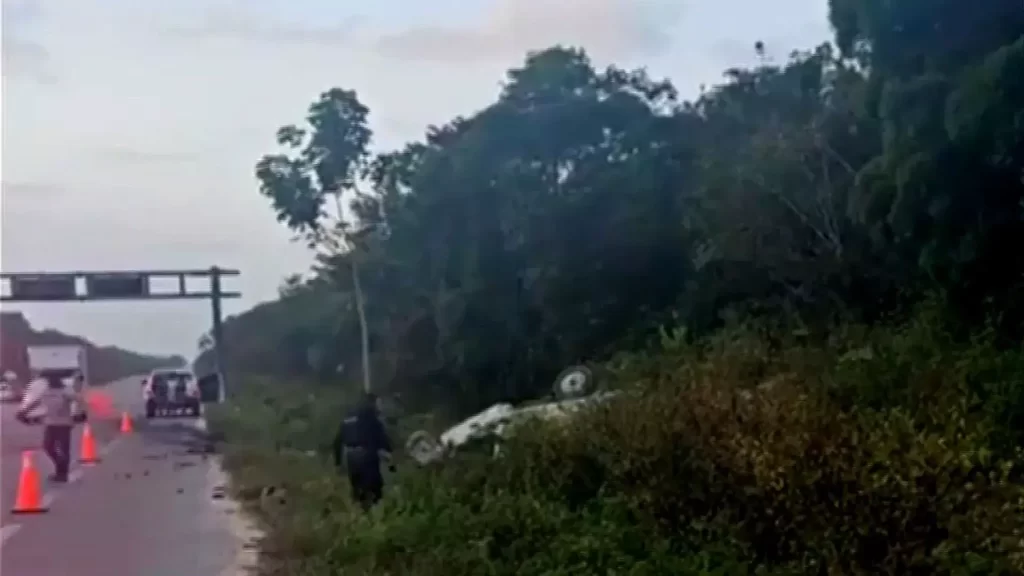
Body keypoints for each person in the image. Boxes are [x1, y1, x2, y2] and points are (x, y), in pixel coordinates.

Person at [16, 372, 86, 483]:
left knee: (64, 450)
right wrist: (23, 412)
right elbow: (35, 403)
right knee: (48, 447)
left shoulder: (66, 392)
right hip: (50, 424)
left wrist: (80, 413)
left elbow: (80, 400)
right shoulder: (46, 392)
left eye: (50, 380)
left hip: (64, 424)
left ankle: (62, 474)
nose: (49, 382)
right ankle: (60, 467)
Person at [332, 392, 394, 510]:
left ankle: (360, 516)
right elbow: (380, 437)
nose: (380, 406)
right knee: (374, 489)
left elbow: (337, 442)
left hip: (351, 457)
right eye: (378, 403)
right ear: (372, 403)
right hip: (367, 456)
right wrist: (389, 453)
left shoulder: (348, 417)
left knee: (358, 489)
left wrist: (338, 463)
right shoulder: (370, 415)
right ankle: (374, 519)